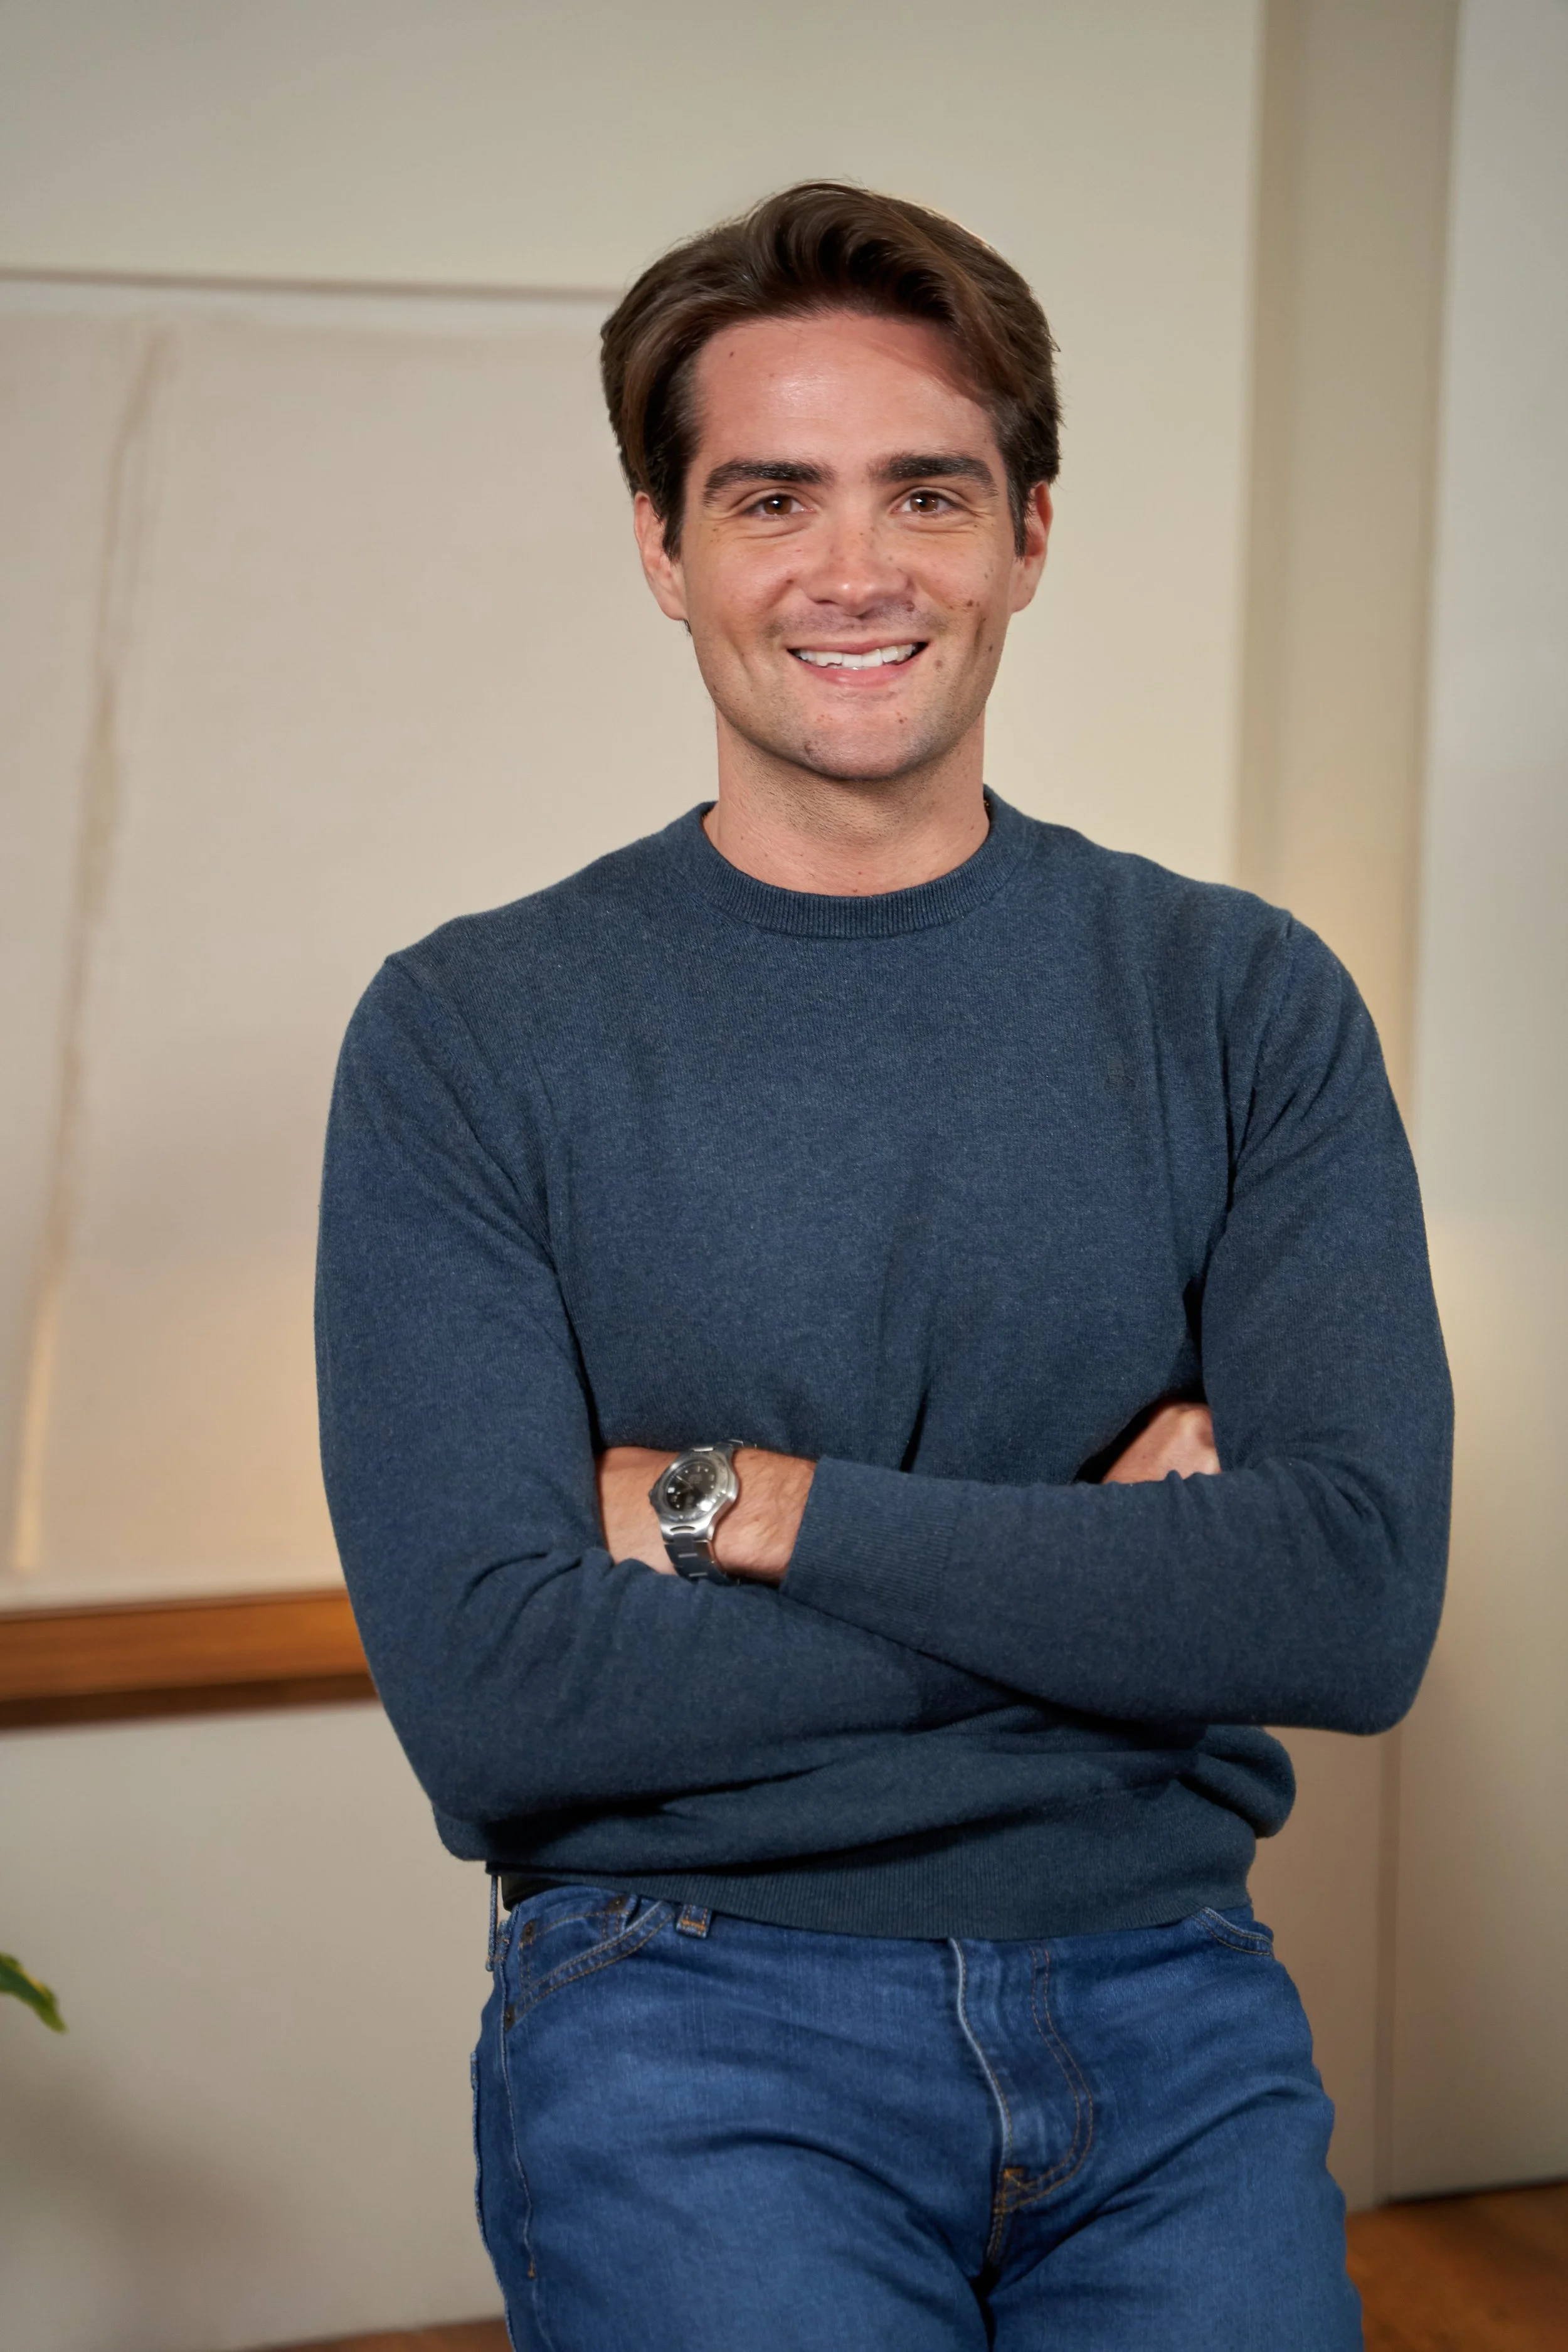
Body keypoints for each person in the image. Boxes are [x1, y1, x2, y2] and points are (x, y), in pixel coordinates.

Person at [315, 182, 1451, 2351]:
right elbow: (494, 1689)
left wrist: (751, 1509)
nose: (856, 570)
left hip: (1173, 1998)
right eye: (770, 497)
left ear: (1028, 530)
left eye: (925, 490)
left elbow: (1350, 1599)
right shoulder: (471, 1032)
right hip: (681, 2005)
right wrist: (1108, 1581)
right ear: (663, 549)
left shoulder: (1241, 1000)